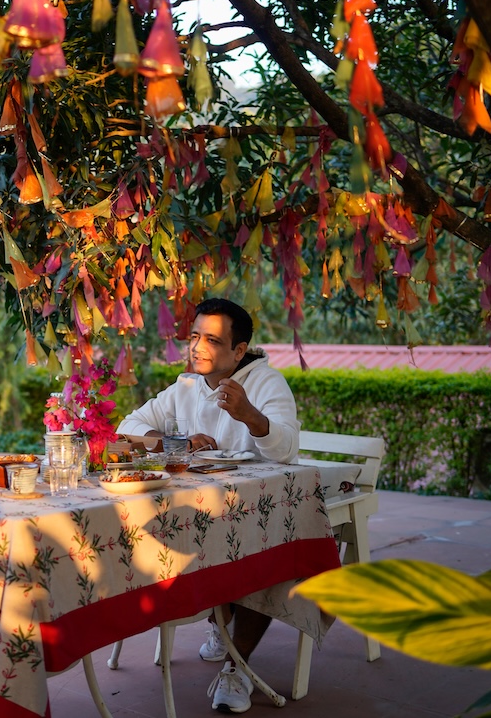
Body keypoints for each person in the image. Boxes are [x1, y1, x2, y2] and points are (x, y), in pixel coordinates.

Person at [117, 298, 300, 714]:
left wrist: (250, 415)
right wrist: (176, 442)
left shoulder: (266, 383)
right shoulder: (185, 387)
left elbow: (287, 449)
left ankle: (238, 665)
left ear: (239, 350)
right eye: (195, 336)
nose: (197, 347)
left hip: (256, 510)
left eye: (213, 340)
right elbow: (128, 427)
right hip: (201, 512)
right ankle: (220, 624)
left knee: (266, 554)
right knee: (157, 532)